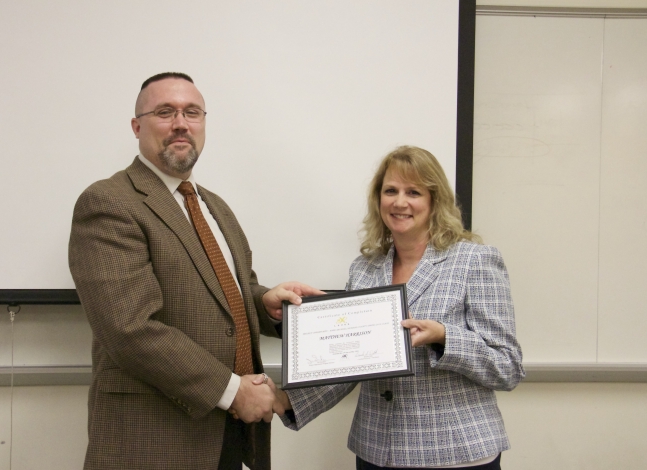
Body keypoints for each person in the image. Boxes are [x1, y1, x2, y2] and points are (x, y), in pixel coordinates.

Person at [68, 72, 322, 470]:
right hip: (154, 438)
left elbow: (226, 295)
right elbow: (129, 328)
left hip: (228, 436)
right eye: (165, 112)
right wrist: (232, 391)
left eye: (192, 112)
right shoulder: (108, 202)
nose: (181, 123)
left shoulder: (213, 206)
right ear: (137, 126)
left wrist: (263, 302)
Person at [263, 146, 525, 469]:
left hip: (456, 453)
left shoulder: (475, 260)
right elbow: (347, 365)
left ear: (434, 200)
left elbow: (508, 365)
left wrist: (444, 337)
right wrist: (285, 400)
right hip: (377, 451)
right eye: (391, 191)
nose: (400, 202)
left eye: (413, 192)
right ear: (379, 200)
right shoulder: (364, 269)